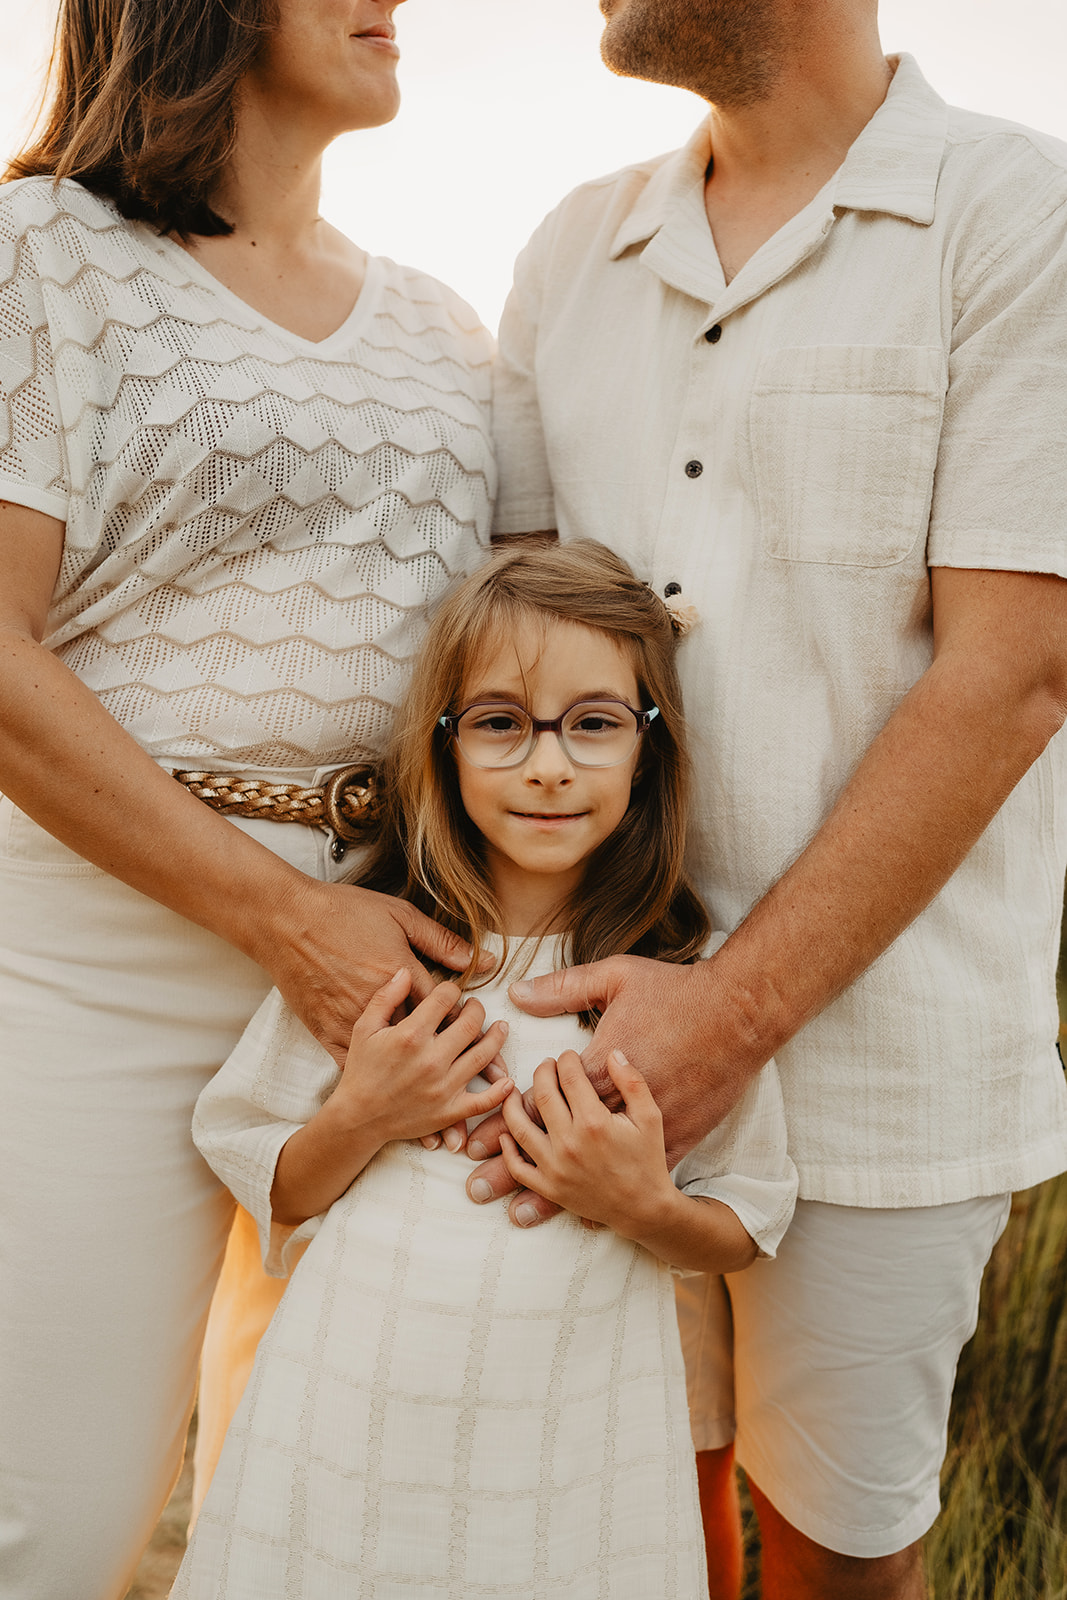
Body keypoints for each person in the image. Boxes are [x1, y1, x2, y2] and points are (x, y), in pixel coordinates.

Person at [476, 4, 1067, 1599]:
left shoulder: (1014, 213)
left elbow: (1011, 673)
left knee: (835, 1562)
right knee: (620, 1540)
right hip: (588, 1051)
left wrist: (723, 1022)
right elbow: (513, 643)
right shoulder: (570, 250)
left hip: (883, 1069)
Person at [0, 0, 500, 1593]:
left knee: (331, 1532)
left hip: (387, 979)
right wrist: (284, 920)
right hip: (88, 965)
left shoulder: (439, 326)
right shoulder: (38, 255)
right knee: (47, 1522)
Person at [170, 540, 797, 1598]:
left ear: (648, 748)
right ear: (444, 744)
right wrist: (365, 1112)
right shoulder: (373, 959)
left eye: (593, 722)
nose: (548, 764)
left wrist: (638, 1203)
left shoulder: (671, 996)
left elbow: (747, 1217)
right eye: (501, 722)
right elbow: (271, 1182)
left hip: (569, 1436)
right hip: (352, 1415)